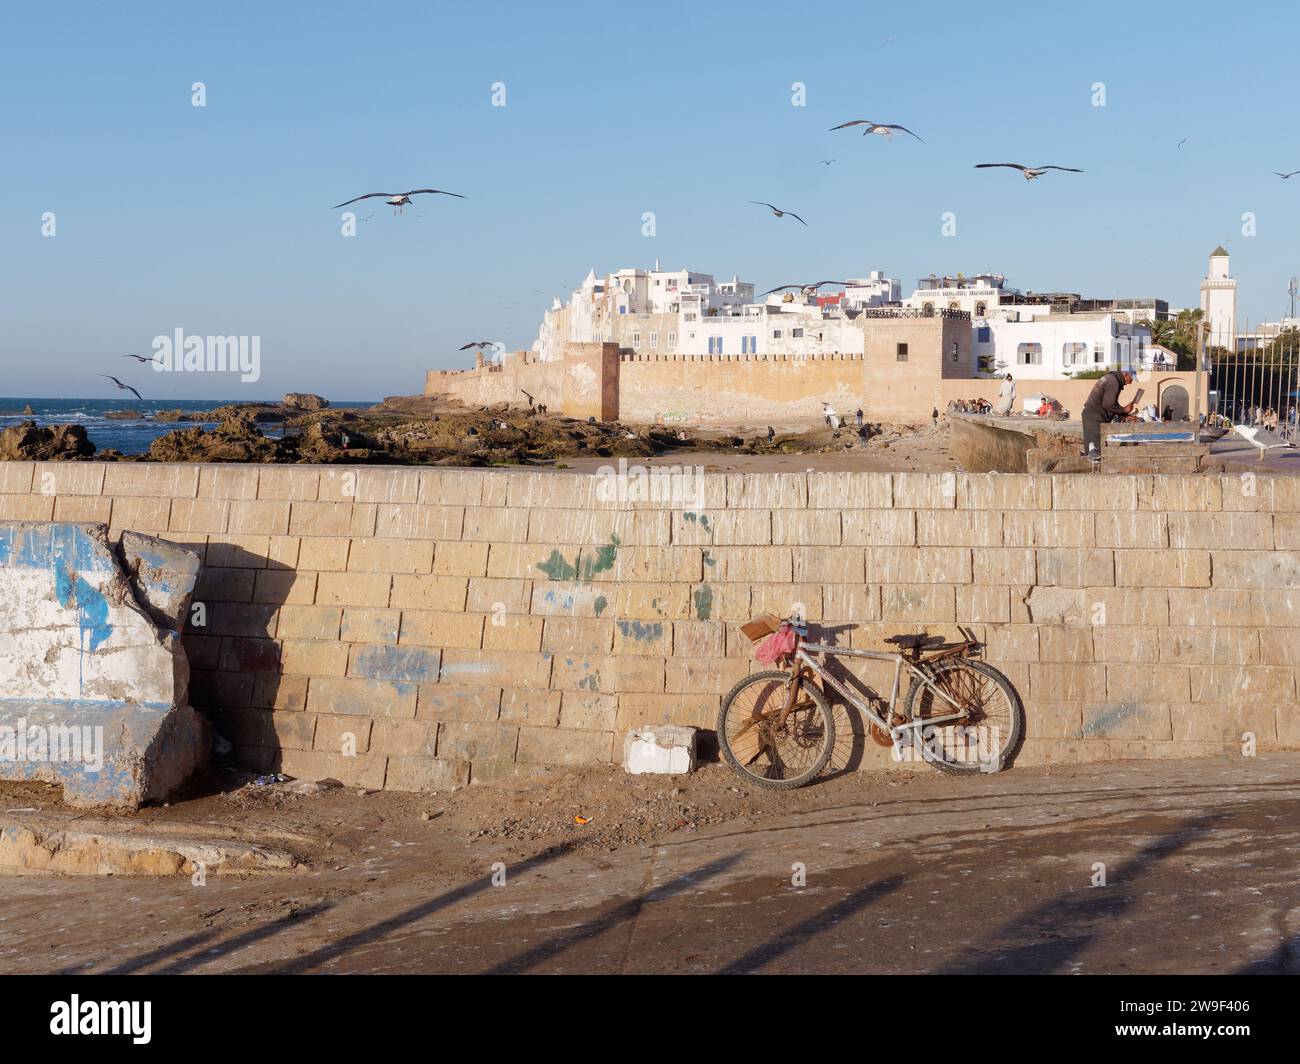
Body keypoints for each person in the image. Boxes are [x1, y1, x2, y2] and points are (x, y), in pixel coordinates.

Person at [1081, 367, 1136, 460]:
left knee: (1093, 452)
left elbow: (1111, 403)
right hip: (1095, 417)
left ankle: (1094, 471)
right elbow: (1108, 404)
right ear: (1125, 374)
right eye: (1131, 379)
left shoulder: (1110, 378)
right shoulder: (1114, 382)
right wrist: (1124, 410)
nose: (1130, 382)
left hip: (1091, 416)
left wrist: (1125, 415)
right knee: (1096, 454)